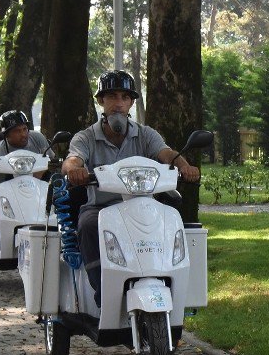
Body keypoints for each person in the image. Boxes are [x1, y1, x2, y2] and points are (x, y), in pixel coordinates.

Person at [61, 69, 200, 304]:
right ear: (101, 101)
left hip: (143, 207)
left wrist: (185, 166)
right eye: (112, 96)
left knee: (171, 218)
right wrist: (74, 169)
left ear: (132, 102)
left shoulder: (145, 134)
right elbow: (73, 158)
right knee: (86, 224)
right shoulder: (85, 137)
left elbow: (166, 153)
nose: (118, 103)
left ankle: (171, 288)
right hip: (101, 208)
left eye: (124, 97)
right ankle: (103, 293)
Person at [0, 110, 51, 242]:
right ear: (6, 135)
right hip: (11, 193)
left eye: (24, 129)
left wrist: (39, 173)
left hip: (40, 188)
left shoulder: (38, 138)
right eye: (17, 131)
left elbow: (53, 163)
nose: (23, 134)